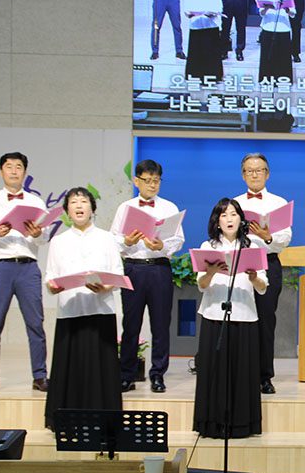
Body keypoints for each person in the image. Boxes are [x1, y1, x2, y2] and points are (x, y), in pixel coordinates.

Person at [44, 188, 124, 431]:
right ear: (67, 210)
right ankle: (66, 420)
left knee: (101, 368)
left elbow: (117, 273)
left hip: (101, 310)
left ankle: (104, 419)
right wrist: (54, 286)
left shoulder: (107, 238)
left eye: (84, 201)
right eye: (73, 202)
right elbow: (50, 277)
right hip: (70, 311)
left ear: (92, 208)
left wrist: (105, 286)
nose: (79, 206)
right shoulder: (58, 241)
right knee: (70, 367)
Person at [0, 152, 49, 395]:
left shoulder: (36, 202)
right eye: (9, 166)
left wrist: (38, 233)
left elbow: (45, 237)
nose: (14, 171)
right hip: (0, 266)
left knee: (35, 324)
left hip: (28, 267)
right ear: (1, 171)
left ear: (25, 172)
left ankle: (40, 376)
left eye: (18, 167)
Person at [193, 198, 268, 439]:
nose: (229, 219)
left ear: (241, 219)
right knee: (215, 371)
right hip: (215, 315)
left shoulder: (252, 246)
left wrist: (254, 277)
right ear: (217, 221)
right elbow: (202, 285)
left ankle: (242, 424)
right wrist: (211, 272)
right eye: (224, 215)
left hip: (244, 315)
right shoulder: (208, 246)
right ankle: (213, 423)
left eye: (234, 214)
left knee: (242, 373)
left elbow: (263, 287)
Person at [111, 160, 185, 394]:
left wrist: (162, 246)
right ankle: (127, 375)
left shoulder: (169, 207)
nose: (152, 185)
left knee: (161, 324)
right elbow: (113, 240)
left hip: (159, 268)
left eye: (156, 181)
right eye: (148, 180)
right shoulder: (125, 208)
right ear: (136, 181)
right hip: (133, 268)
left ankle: (158, 374)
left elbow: (178, 240)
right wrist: (127, 241)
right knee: (131, 324)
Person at [234, 154, 292, 395]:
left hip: (268, 262)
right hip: (240, 265)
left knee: (266, 321)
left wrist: (268, 236)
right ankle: (240, 374)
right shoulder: (234, 204)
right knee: (238, 318)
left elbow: (285, 238)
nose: (254, 174)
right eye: (249, 170)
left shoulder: (278, 203)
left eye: (259, 170)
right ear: (243, 175)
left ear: (267, 174)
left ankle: (265, 376)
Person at [182, 0, 223, 81]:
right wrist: (189, 13)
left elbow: (219, 6)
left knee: (211, 52)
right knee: (196, 52)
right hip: (196, 25)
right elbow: (186, 8)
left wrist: (212, 12)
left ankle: (213, 76)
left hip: (211, 25)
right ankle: (195, 76)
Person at [258, 0, 296, 84]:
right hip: (268, 28)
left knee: (283, 56)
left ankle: (283, 79)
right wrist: (267, 7)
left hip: (283, 28)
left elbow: (293, 13)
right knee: (267, 55)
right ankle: (266, 79)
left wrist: (287, 9)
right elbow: (261, 13)